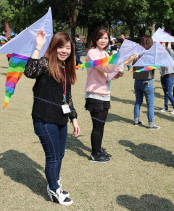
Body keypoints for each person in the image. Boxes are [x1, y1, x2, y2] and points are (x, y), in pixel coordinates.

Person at [24, 30, 80, 205]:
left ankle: (54, 184)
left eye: (68, 48)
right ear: (54, 47)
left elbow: (67, 97)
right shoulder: (45, 64)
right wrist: (38, 46)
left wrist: (74, 119)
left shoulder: (65, 68)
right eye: (61, 47)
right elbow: (30, 72)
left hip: (61, 119)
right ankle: (54, 190)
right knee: (53, 157)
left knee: (60, 154)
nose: (65, 51)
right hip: (44, 120)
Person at [85, 27, 137, 163]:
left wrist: (117, 74)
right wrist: (125, 62)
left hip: (105, 93)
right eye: (101, 37)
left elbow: (108, 76)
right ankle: (94, 154)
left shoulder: (105, 54)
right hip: (94, 93)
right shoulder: (92, 53)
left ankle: (99, 149)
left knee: (101, 125)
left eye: (106, 38)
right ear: (95, 38)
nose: (103, 40)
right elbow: (104, 68)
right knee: (97, 126)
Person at [133, 36, 160, 129]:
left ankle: (136, 119)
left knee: (138, 101)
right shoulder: (150, 55)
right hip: (147, 81)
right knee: (150, 103)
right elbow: (154, 66)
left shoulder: (136, 54)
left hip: (137, 81)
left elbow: (133, 65)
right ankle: (151, 123)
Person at [160, 42, 174, 114]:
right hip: (163, 76)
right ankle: (166, 107)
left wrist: (168, 47)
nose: (162, 46)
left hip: (169, 75)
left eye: (163, 45)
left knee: (169, 93)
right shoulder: (161, 55)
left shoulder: (170, 55)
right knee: (165, 93)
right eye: (161, 45)